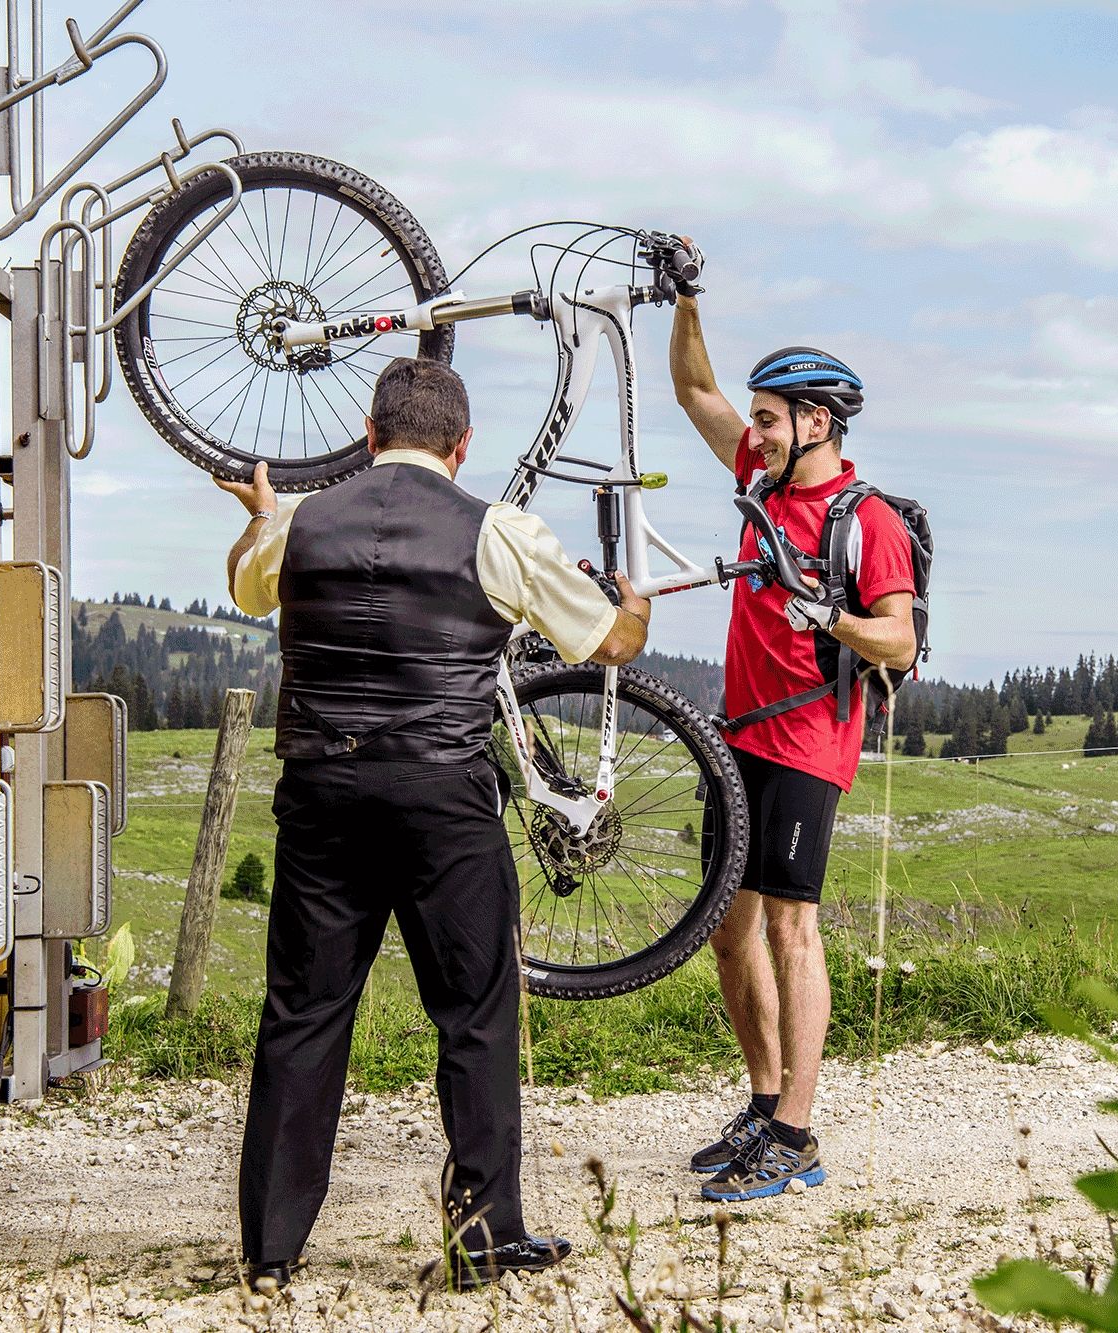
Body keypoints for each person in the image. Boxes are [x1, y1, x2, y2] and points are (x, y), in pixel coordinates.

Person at [218, 356, 651, 1287]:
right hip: (442, 799)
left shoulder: (300, 521)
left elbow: (244, 587)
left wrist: (260, 512)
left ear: (370, 437)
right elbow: (612, 642)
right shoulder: (501, 531)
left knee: (302, 1013)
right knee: (476, 1016)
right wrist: (636, 605)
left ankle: (270, 1250)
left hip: (321, 794)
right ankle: (482, 1241)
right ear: (461, 446)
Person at [668, 287, 918, 1203]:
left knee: (788, 927)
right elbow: (696, 391)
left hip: (812, 738)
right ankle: (764, 1103)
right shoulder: (763, 478)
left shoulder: (868, 519)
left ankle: (797, 1135)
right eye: (761, 421)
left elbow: (902, 639)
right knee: (727, 936)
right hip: (737, 737)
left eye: (771, 419)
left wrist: (835, 617)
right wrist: (688, 296)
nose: (759, 433)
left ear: (818, 420)